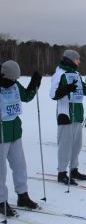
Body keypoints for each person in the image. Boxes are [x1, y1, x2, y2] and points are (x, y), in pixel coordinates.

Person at [50, 49, 86, 185]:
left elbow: (83, 89)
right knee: (65, 145)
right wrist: (66, 89)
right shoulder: (60, 74)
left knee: (76, 145)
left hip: (77, 114)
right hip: (65, 114)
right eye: (77, 59)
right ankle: (62, 172)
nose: (79, 61)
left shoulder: (76, 74)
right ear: (70, 59)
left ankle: (74, 169)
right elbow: (53, 94)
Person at [0, 60, 41, 216]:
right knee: (1, 170)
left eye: (16, 80)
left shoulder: (15, 85)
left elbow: (26, 96)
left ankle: (22, 195)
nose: (14, 82)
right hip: (1, 134)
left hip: (15, 132)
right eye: (12, 80)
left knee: (20, 165)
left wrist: (34, 83)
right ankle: (1, 200)